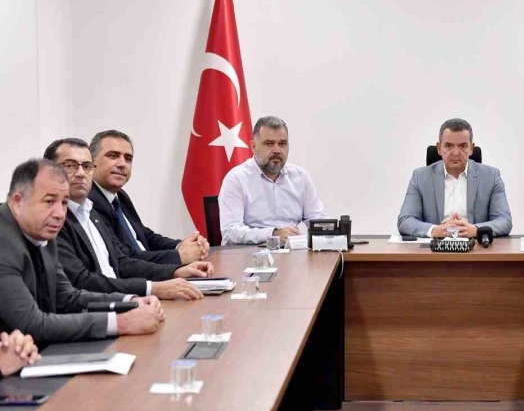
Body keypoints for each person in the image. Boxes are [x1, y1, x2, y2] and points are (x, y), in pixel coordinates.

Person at [0, 159, 164, 344]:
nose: (59, 214)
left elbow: (67, 297)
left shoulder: (42, 229)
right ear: (18, 202)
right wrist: (121, 323)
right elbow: (32, 325)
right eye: (49, 201)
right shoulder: (4, 243)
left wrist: (130, 302)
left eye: (64, 202)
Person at [45, 138, 206, 301]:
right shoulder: (52, 221)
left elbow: (121, 261)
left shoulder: (90, 211)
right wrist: (151, 288)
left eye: (86, 166)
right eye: (70, 166)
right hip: (101, 307)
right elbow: (81, 281)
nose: (80, 173)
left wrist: (174, 272)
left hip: (122, 299)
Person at [88, 129, 208, 264]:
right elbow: (124, 258)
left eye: (128, 158)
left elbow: (144, 235)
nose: (122, 164)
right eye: (113, 156)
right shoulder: (89, 202)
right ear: (91, 162)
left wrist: (182, 245)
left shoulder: (120, 196)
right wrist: (179, 256)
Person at [219, 116, 328, 245]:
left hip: (292, 252)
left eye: (282, 144)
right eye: (269, 144)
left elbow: (317, 219)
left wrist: (334, 232)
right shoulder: (236, 179)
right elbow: (230, 232)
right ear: (253, 146)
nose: (277, 150)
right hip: (251, 253)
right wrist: (273, 234)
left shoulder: (300, 177)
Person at [398, 118, 512, 238]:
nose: (456, 152)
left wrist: (475, 230)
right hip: (436, 247)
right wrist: (435, 230)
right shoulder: (420, 177)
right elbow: (405, 220)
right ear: (439, 148)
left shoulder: (491, 176)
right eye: (448, 146)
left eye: (463, 146)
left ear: (471, 148)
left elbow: (504, 221)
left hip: (474, 246)